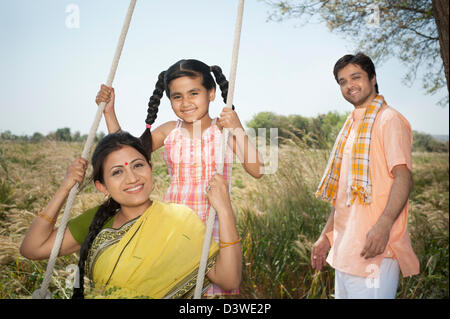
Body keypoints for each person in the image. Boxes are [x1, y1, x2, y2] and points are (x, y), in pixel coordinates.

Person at [95, 59, 263, 296]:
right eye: (177, 96)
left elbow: (257, 169)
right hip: (172, 224)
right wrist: (109, 112)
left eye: (194, 93)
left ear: (211, 93)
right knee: (173, 286)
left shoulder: (223, 130)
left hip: (213, 220)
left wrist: (238, 128)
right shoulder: (169, 131)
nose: (186, 103)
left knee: (213, 289)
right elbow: (125, 152)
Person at [20, 131, 242, 299]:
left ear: (150, 168)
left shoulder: (182, 220)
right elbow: (32, 249)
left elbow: (228, 279)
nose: (132, 178)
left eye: (138, 165)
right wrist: (65, 188)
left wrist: (224, 211)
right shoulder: (96, 220)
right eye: (117, 172)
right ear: (102, 186)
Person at [312, 53, 419, 299]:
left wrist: (383, 225)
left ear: (372, 78)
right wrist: (325, 236)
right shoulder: (351, 127)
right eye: (342, 81)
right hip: (345, 252)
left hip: (375, 251)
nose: (349, 85)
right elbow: (344, 196)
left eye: (356, 77)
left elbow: (403, 177)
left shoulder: (388, 120)